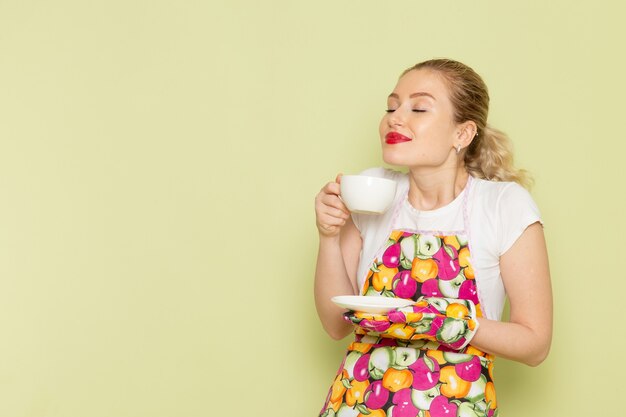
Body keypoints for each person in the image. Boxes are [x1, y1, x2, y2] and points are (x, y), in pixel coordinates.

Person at [314, 58, 552, 417]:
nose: (395, 117)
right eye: (391, 106)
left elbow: (535, 343)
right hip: (355, 405)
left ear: (462, 134)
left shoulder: (503, 205)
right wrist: (329, 236)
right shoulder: (374, 192)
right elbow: (335, 325)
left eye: (418, 107)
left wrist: (446, 321)